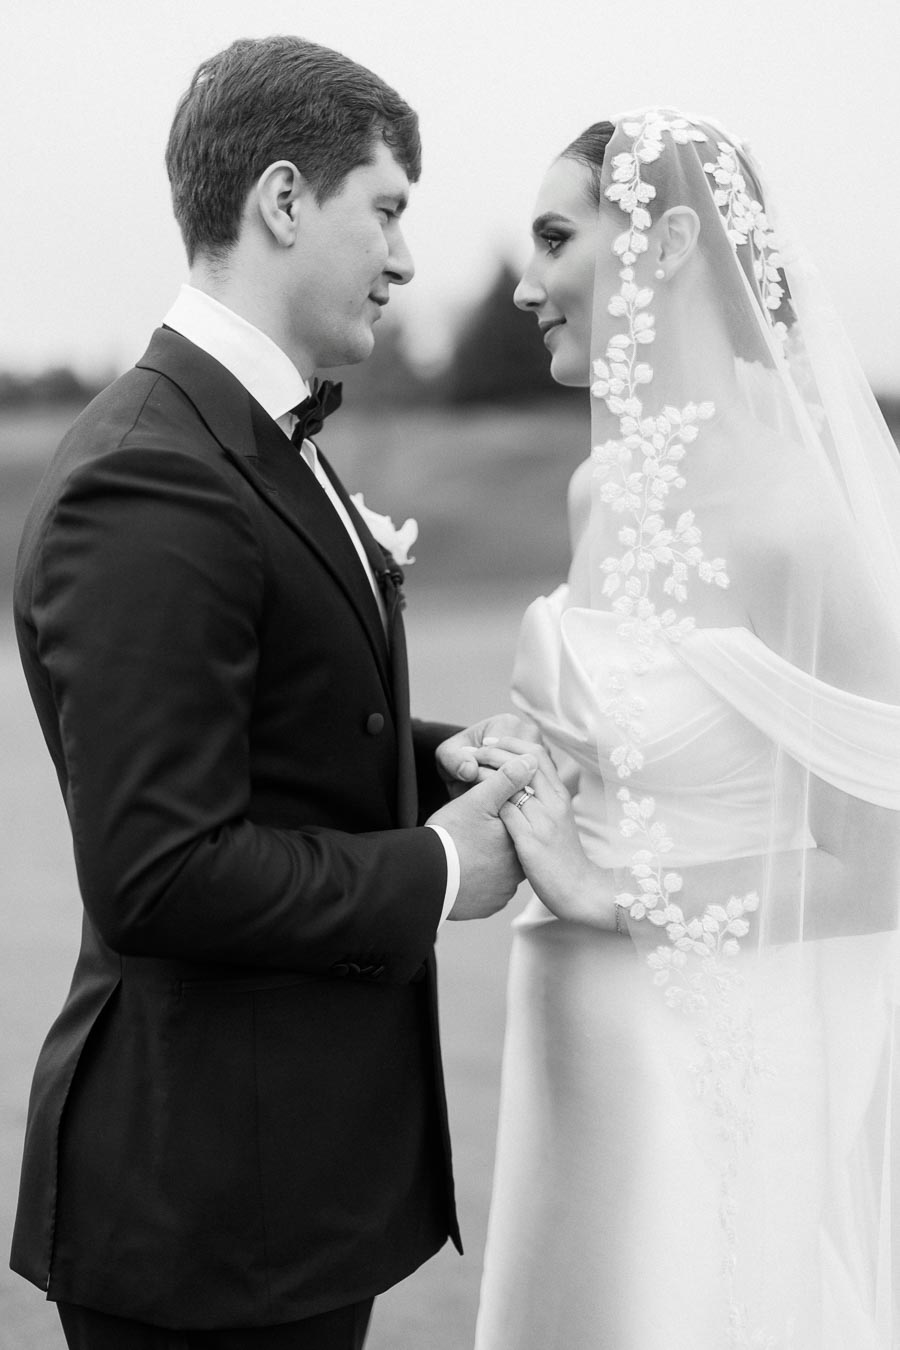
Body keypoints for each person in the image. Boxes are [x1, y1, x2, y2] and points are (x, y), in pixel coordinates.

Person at [10, 36, 536, 1350]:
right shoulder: (148, 474)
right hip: (199, 1214)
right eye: (389, 208)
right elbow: (163, 868)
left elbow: (279, 723)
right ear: (285, 200)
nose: (408, 259)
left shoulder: (259, 437)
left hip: (280, 1198)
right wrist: (432, 869)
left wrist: (436, 758)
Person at [440, 111, 900, 1347]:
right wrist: (525, 758)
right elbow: (635, 727)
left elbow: (881, 868)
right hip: (570, 1028)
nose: (529, 283)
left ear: (674, 238)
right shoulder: (604, 487)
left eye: (555, 238)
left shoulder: (800, 528)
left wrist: (614, 894)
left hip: (708, 1044)